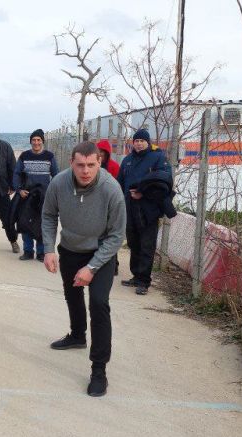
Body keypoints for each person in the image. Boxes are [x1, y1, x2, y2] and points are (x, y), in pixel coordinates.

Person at [42, 141, 125, 397]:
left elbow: (117, 236)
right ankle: (78, 335)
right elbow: (48, 215)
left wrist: (91, 267)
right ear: (71, 163)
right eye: (80, 165)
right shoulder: (58, 183)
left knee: (98, 303)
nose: (85, 171)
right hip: (70, 248)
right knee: (72, 293)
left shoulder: (111, 189)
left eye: (91, 165)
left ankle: (99, 369)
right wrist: (48, 249)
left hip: (101, 251)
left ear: (100, 162)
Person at [116, 129, 174, 295]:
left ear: (148, 142)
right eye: (136, 141)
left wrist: (143, 193)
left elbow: (164, 182)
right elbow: (119, 183)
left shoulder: (158, 158)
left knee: (146, 244)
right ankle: (136, 275)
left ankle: (144, 281)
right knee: (133, 242)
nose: (139, 143)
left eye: (142, 141)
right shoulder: (127, 160)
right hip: (130, 207)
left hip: (149, 209)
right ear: (133, 143)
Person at [11, 128, 58, 261]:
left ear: (42, 141)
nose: (36, 142)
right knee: (25, 223)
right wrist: (19, 190)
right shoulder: (24, 156)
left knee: (42, 225)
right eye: (33, 140)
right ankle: (28, 251)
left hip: (44, 197)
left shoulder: (49, 156)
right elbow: (16, 174)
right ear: (30, 141)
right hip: (27, 196)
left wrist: (52, 192)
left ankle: (41, 252)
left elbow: (56, 175)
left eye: (38, 140)